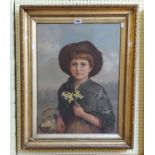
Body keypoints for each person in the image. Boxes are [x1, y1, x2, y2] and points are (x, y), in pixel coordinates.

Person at [56, 41, 115, 133]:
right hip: (68, 135)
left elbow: (109, 122)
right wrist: (59, 118)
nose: (78, 69)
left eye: (83, 64)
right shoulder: (64, 88)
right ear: (69, 67)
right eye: (74, 64)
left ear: (90, 68)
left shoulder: (97, 90)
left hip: (90, 136)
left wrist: (83, 115)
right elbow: (60, 109)